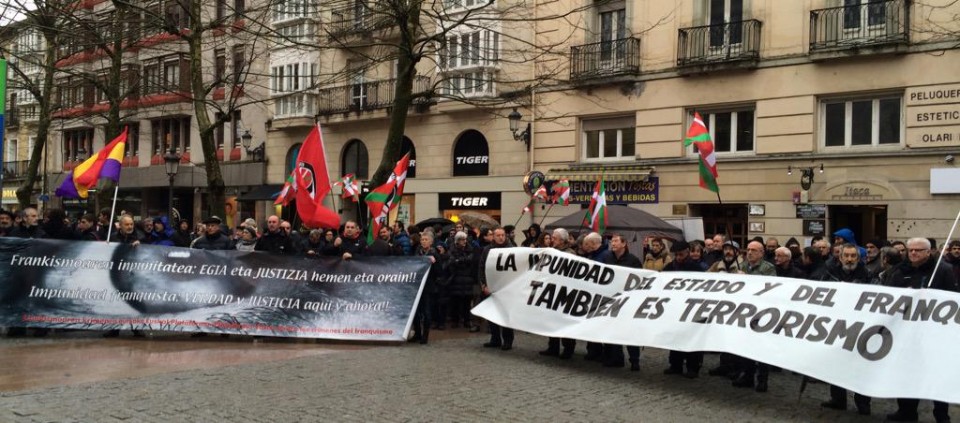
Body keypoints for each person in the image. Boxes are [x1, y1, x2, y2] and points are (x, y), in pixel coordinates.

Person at [882, 237, 957, 422]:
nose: (913, 253)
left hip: (934, 332)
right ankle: (907, 411)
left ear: (928, 252)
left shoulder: (943, 270)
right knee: (906, 371)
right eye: (910, 250)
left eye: (918, 250)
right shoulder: (899, 270)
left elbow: (953, 298)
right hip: (906, 332)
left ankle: (941, 414)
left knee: (936, 373)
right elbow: (888, 295)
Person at [820, 243, 872, 415]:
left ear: (859, 258)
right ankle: (837, 398)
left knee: (861, 366)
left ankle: (863, 402)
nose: (850, 259)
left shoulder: (868, 274)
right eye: (846, 256)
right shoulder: (829, 273)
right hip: (836, 325)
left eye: (853, 256)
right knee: (835, 363)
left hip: (861, 325)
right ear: (840, 257)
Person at [732, 240, 776, 392]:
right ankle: (747, 376)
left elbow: (770, 288)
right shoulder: (742, 266)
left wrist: (749, 280)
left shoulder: (768, 268)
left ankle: (762, 380)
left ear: (761, 253)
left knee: (761, 348)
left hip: (762, 313)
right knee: (745, 346)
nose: (749, 253)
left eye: (754, 250)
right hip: (745, 311)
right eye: (748, 250)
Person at [662, 240, 705, 379]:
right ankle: (675, 364)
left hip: (692, 307)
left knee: (691, 337)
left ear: (687, 252)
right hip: (675, 307)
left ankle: (693, 367)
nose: (678, 257)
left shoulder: (696, 268)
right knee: (675, 336)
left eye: (681, 254)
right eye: (676, 255)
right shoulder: (670, 267)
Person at [602, 233, 644, 370]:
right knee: (613, 330)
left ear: (624, 243)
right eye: (611, 241)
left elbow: (641, 280)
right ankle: (616, 358)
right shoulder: (607, 258)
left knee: (629, 332)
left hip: (628, 301)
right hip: (611, 300)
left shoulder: (633, 260)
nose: (612, 244)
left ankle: (634, 360)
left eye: (615, 241)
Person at [540, 228, 578, 359]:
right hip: (552, 290)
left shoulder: (570, 254)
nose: (551, 240)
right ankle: (553, 347)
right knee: (551, 321)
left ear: (562, 240)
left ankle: (568, 349)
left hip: (565, 293)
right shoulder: (552, 251)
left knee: (563, 322)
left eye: (554, 238)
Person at [478, 227, 514, 350]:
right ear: (493, 236)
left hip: (507, 289)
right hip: (491, 288)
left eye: (503, 235)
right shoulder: (487, 250)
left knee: (505, 315)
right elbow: (482, 268)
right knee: (492, 314)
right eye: (498, 235)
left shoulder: (512, 249)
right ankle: (495, 339)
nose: (501, 237)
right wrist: (483, 285)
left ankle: (508, 340)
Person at [411, 231, 442, 344]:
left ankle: (425, 335)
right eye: (422, 240)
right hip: (418, 286)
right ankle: (418, 333)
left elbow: (440, 272)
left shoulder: (435, 253)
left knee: (427, 312)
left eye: (426, 240)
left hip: (429, 287)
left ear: (431, 242)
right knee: (416, 311)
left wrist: (435, 263)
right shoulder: (417, 252)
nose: (423, 242)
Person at [446, 231, 477, 330]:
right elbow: (451, 261)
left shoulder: (470, 249)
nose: (464, 241)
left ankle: (467, 320)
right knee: (455, 301)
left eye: (465, 239)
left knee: (467, 302)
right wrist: (461, 261)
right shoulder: (452, 249)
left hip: (467, 279)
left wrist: (459, 261)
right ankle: (455, 320)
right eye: (462, 239)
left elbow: (470, 260)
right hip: (456, 279)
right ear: (457, 241)